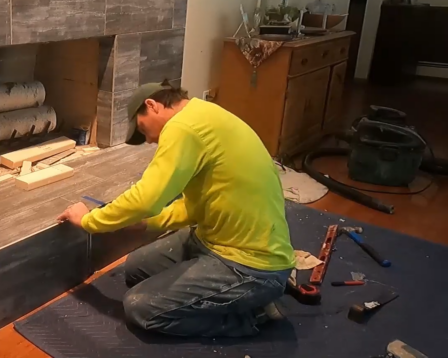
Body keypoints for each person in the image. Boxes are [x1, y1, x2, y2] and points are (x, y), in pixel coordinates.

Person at [57, 82, 295, 337]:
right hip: (213, 238)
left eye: (142, 128)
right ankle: (229, 297)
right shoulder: (201, 114)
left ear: (152, 105)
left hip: (250, 264)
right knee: (136, 268)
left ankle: (252, 315)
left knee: (140, 309)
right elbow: (194, 206)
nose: (148, 139)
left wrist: (89, 221)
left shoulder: (183, 128)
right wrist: (149, 224)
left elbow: (145, 200)